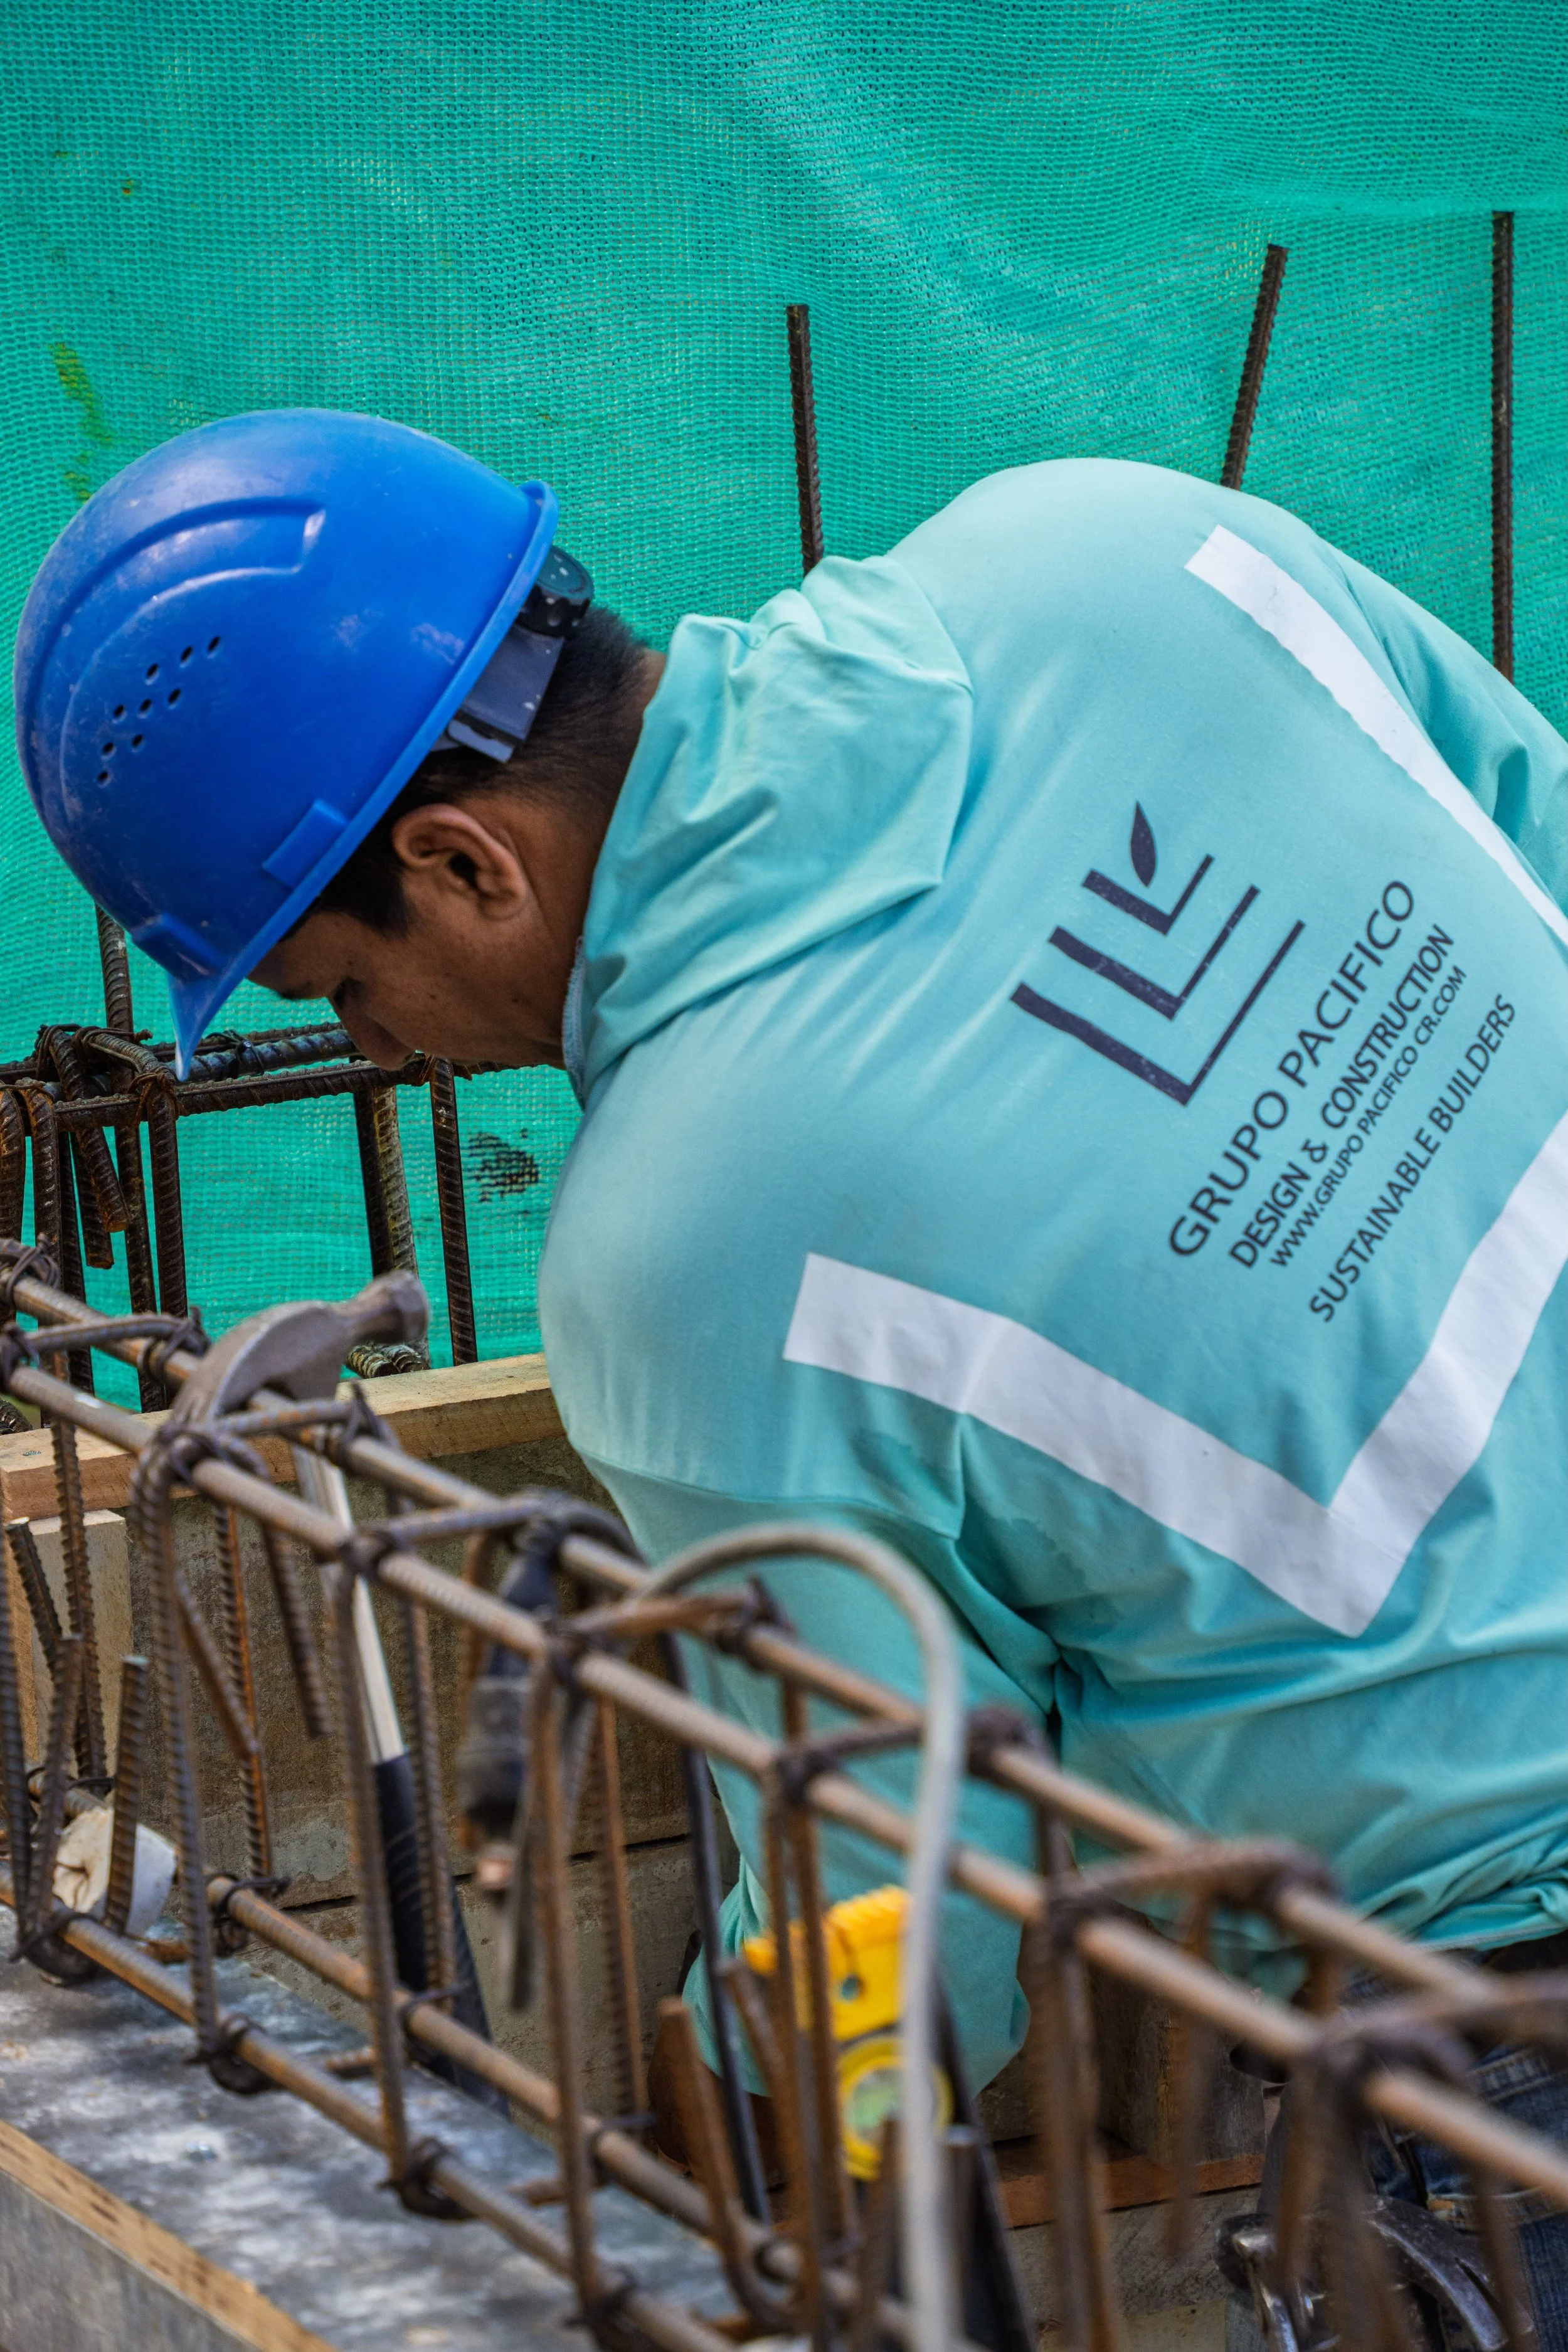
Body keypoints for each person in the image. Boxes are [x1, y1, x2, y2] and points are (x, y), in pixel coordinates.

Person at [17, 411, 1568, 2291]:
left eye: (343, 983)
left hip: (1507, 2011)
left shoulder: (692, 1242)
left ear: (463, 860)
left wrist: (743, 2137)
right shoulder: (1126, 545)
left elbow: (896, 1887)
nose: (391, 1046)